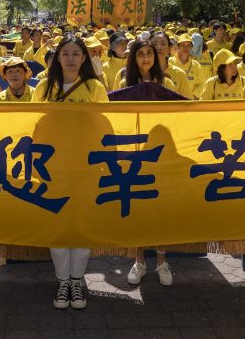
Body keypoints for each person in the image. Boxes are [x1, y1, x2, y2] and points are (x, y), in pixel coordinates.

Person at [33, 35, 108, 310]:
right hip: (53, 167)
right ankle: (62, 280)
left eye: (76, 53)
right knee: (58, 224)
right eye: (66, 53)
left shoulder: (94, 87)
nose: (71, 58)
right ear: (57, 57)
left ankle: (77, 280)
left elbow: (105, 125)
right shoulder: (43, 86)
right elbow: (33, 125)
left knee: (82, 223)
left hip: (86, 165)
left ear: (84, 57)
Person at [118, 38, 175, 286]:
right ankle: (139, 260)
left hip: (162, 152)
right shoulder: (123, 84)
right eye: (140, 53)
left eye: (149, 53)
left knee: (161, 209)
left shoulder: (167, 83)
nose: (145, 58)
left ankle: (162, 261)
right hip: (133, 151)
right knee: (138, 206)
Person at [151, 31, 192, 98]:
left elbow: (188, 102)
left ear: (169, 49)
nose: (159, 47)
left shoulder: (179, 74)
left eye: (163, 44)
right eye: (155, 44)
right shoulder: (144, 73)